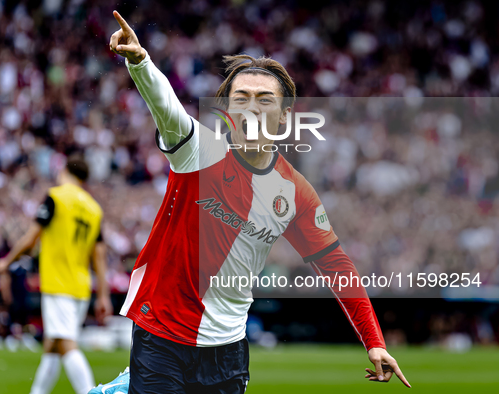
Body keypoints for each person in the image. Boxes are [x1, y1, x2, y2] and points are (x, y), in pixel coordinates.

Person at [106, 10, 411, 394]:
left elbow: (336, 265)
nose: (252, 107)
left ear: (284, 118)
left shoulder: (296, 192)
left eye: (265, 100)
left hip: (228, 350)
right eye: (242, 98)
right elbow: (166, 107)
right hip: (161, 335)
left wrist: (375, 341)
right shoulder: (198, 151)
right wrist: (141, 62)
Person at [0, 158, 113, 394]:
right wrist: (103, 295)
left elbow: (30, 239)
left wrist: (6, 261)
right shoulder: (94, 208)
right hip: (81, 286)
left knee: (66, 345)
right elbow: (98, 257)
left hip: (59, 284)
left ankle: (91, 392)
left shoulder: (56, 197)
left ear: (64, 171)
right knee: (52, 346)